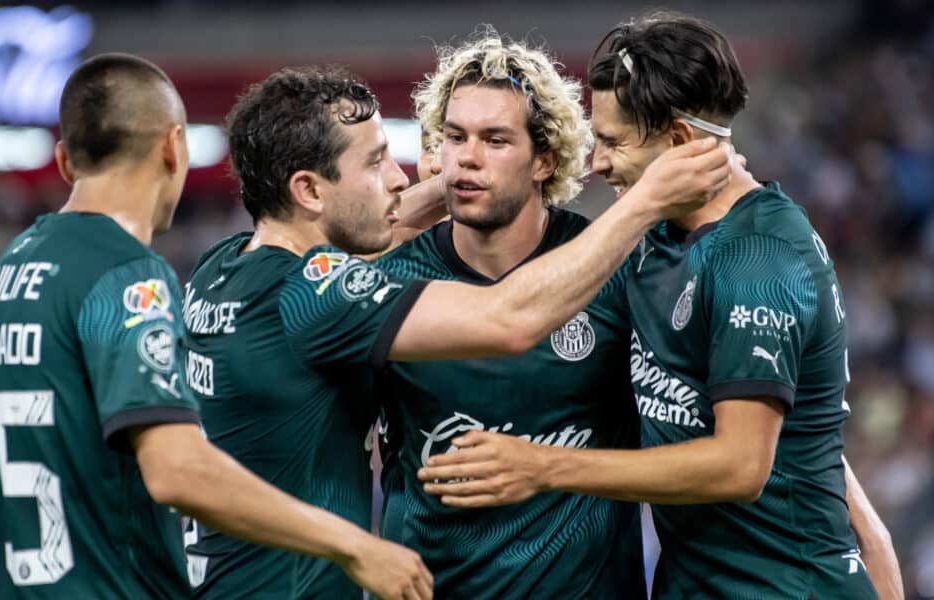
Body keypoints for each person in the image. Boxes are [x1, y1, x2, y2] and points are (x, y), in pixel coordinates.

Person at [182, 64, 732, 597]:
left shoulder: (223, 266)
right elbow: (509, 319)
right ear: (308, 190)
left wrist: (461, 185)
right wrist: (646, 201)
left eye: (494, 140)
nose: (403, 176)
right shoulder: (325, 293)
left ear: (545, 159)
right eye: (376, 163)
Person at [416, 13, 904, 599]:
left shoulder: (760, 260)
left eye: (614, 142)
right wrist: (445, 186)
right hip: (692, 584)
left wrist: (539, 466)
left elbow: (741, 465)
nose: (596, 163)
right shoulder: (657, 244)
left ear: (678, 142)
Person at [0, 53, 433, 600]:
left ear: (66, 162)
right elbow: (177, 472)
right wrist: (354, 545)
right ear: (174, 147)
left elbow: (337, 261)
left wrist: (432, 198)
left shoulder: (10, 271)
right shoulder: (126, 277)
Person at [372, 31, 646, 597]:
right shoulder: (385, 279)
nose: (467, 157)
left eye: (495, 140)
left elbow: (711, 415)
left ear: (545, 159)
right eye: (454, 137)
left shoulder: (615, 271)